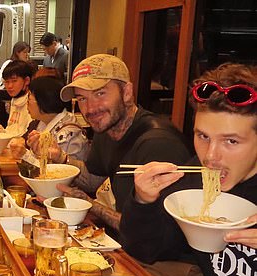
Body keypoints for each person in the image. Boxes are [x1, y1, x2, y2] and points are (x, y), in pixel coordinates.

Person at [120, 63, 257, 276]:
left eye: (231, 141)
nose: (211, 156)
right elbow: (147, 250)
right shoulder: (194, 176)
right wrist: (144, 201)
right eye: (203, 136)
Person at [29, 54, 192, 233]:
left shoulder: (158, 144)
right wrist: (60, 157)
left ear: (127, 93)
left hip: (160, 257)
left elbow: (149, 233)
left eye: (100, 93)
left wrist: (91, 205)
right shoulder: (106, 129)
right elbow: (92, 180)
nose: (90, 108)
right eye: (82, 98)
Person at [8, 76, 89, 167]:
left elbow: (57, 172)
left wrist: (25, 155)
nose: (27, 103)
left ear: (44, 101)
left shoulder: (68, 134)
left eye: (29, 99)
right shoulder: (40, 123)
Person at [0, 60, 35, 137]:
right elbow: (12, 131)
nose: (10, 86)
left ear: (27, 80)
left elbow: (26, 136)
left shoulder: (32, 102)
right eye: (7, 82)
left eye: (14, 81)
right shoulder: (15, 100)